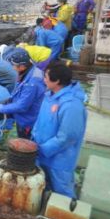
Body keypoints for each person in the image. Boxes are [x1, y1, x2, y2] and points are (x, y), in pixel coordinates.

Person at [32, 61, 87, 198]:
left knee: (62, 193)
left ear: (56, 81)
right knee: (42, 187)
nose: (43, 79)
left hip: (59, 160)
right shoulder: (49, 95)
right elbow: (40, 122)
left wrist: (43, 149)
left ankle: (68, 217)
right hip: (41, 154)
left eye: (46, 77)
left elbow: (67, 137)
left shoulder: (71, 105)